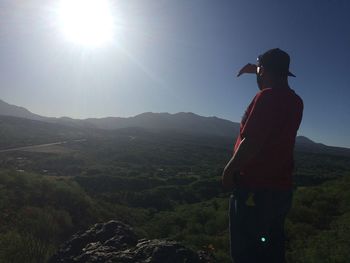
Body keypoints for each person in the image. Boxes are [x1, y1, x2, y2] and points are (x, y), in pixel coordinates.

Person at [222, 48, 303, 263]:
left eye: (260, 71)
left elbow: (253, 142)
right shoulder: (296, 101)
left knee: (246, 252)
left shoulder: (267, 97)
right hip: (280, 188)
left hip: (254, 187)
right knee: (272, 248)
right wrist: (259, 70)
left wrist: (229, 170)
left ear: (264, 71)